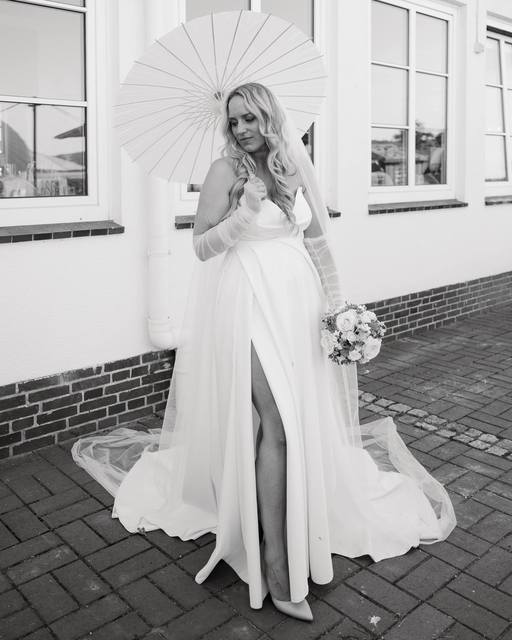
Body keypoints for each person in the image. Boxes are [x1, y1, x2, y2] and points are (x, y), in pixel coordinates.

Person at [72, 82, 456, 623]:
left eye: (250, 118)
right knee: (276, 421)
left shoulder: (292, 165)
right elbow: (201, 246)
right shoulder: (224, 172)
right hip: (248, 301)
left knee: (294, 418)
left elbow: (317, 243)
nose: (242, 129)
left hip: (299, 304)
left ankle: (275, 510)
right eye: (234, 121)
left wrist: (341, 309)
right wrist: (244, 211)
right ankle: (277, 565)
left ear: (270, 116)